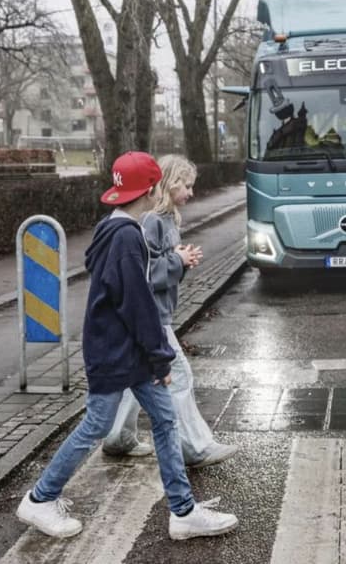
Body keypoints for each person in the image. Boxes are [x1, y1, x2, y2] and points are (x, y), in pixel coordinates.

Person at [15, 151, 238, 541]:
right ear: (151, 190)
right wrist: (160, 356)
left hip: (125, 351)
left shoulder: (113, 228)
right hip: (117, 352)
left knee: (166, 420)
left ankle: (183, 511)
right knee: (96, 425)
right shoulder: (126, 237)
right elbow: (137, 305)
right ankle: (40, 498)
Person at [102, 155, 238, 468]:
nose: (191, 192)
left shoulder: (163, 218)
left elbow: (156, 266)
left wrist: (180, 260)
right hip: (150, 317)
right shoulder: (152, 221)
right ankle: (194, 448)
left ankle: (117, 438)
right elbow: (142, 274)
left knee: (136, 378)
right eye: (186, 185)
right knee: (179, 376)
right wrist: (178, 260)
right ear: (169, 183)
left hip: (147, 316)